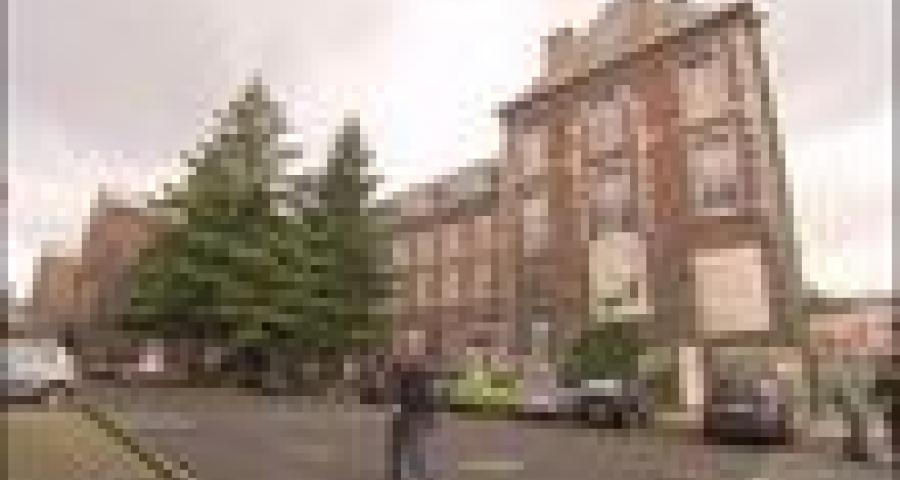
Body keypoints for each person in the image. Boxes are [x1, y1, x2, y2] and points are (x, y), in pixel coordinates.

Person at [389, 330, 440, 480]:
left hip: (418, 418)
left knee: (418, 454)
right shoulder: (401, 372)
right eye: (408, 347)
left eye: (415, 347)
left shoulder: (424, 373)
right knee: (402, 454)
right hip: (405, 417)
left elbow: (427, 398)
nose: (411, 351)